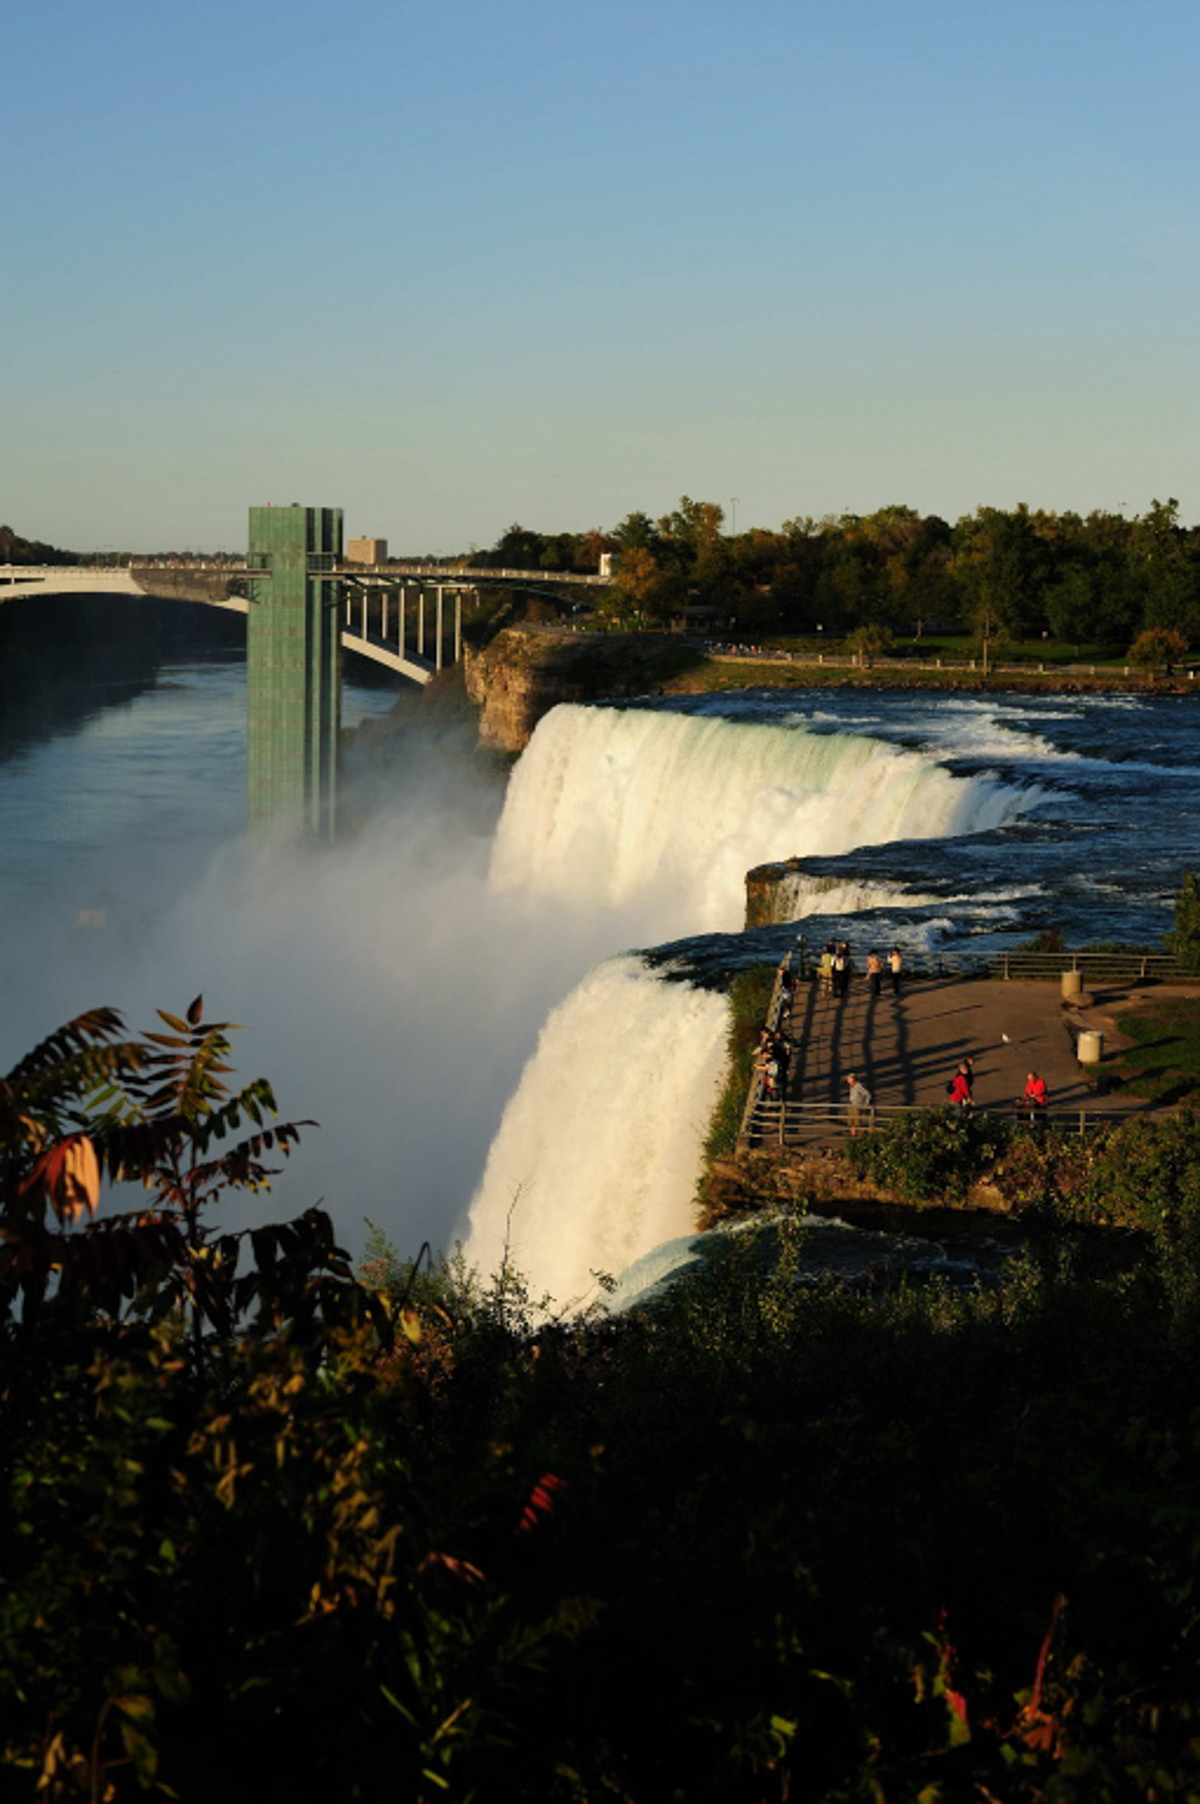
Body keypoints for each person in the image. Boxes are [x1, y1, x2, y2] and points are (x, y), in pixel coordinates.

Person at [845, 1072, 871, 1136]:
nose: (848, 1081)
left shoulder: (858, 1086)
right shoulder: (852, 1086)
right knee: (851, 1122)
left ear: (853, 1079)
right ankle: (852, 1136)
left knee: (857, 1123)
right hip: (852, 1105)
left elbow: (867, 1094)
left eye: (849, 1079)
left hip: (857, 1106)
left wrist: (865, 1103)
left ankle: (864, 1134)